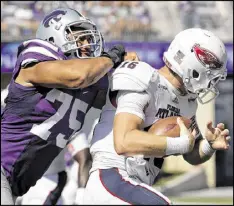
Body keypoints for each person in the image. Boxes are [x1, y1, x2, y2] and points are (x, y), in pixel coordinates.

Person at [1, 8, 139, 205]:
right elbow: (77, 76)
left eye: (86, 38)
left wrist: (131, 72)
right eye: (78, 37)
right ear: (53, 37)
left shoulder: (92, 80)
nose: (85, 44)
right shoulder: (35, 61)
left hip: (15, 183)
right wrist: (111, 58)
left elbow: (117, 102)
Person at [83, 28, 231, 205]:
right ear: (191, 64)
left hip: (136, 185)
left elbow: (192, 154)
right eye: (210, 71)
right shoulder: (144, 78)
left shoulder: (188, 102)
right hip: (112, 176)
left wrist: (209, 145)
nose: (211, 82)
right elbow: (123, 142)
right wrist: (179, 144)